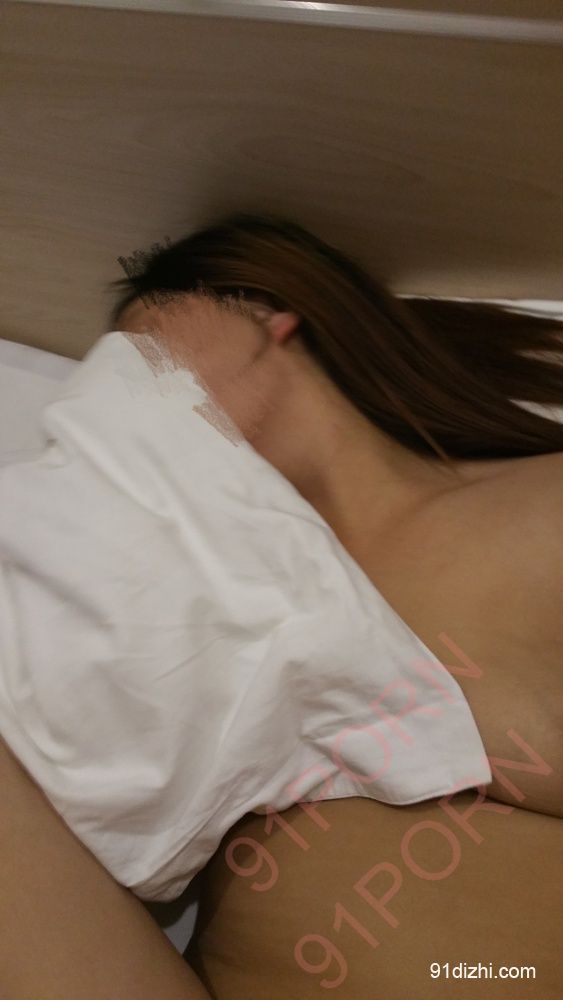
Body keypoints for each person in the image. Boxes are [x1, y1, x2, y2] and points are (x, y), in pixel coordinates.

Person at [1, 213, 561, 998]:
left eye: (142, 346)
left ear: (268, 316)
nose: (120, 388)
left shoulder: (537, 515)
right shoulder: (203, 633)